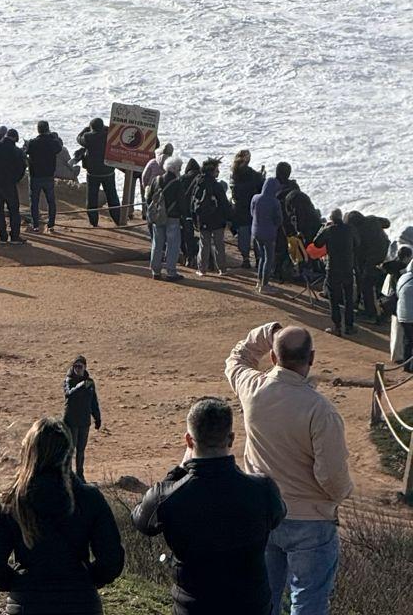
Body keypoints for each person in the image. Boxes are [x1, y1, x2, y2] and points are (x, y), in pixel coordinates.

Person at [225, 322, 353, 615]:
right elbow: (331, 476)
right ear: (312, 358)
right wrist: (340, 495)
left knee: (264, 598)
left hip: (264, 512)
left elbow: (236, 358)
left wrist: (267, 332)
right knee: (309, 603)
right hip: (311, 520)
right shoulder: (321, 411)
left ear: (272, 357)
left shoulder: (252, 389)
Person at [131, 396, 286, 615]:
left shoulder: (168, 496)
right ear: (231, 439)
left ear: (188, 440)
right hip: (251, 605)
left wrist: (177, 472)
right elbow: (278, 516)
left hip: (194, 607)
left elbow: (141, 521)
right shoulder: (263, 489)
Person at [0, 416, 124, 615]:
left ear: (29, 453)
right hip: (81, 603)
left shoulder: (10, 502)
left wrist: (19, 584)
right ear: (68, 453)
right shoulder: (89, 498)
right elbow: (111, 560)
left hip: (27, 603)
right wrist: (85, 580)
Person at [311, 210, 356, 336]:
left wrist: (323, 228)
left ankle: (337, 326)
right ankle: (349, 326)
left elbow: (316, 243)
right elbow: (357, 243)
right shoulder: (349, 229)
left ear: (331, 219)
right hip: (347, 267)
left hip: (333, 268)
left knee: (333, 297)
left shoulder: (329, 230)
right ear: (341, 218)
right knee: (348, 297)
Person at [191, 158, 232, 277]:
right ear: (212, 171)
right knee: (219, 245)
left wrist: (194, 218)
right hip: (217, 220)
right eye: (217, 170)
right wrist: (228, 218)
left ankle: (202, 269)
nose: (218, 172)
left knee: (204, 244)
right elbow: (224, 203)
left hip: (203, 219)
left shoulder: (198, 183)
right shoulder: (217, 186)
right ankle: (222, 269)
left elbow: (193, 202)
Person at [62, 356, 101, 480]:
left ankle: (80, 475)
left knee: (81, 450)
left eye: (80, 366)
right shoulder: (69, 380)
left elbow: (93, 402)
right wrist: (80, 386)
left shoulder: (90, 382)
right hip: (71, 420)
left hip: (84, 421)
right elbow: (68, 394)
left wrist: (97, 417)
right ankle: (67, 474)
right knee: (70, 449)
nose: (77, 369)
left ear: (85, 367)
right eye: (75, 366)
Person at [146, 156, 185, 282]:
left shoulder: (156, 180)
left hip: (158, 217)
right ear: (176, 169)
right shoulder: (178, 183)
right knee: (173, 245)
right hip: (173, 217)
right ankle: (171, 272)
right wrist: (184, 216)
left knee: (157, 244)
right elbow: (182, 202)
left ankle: (155, 271)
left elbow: (149, 198)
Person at [77, 119, 121, 228]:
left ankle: (94, 222)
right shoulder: (110, 136)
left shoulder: (88, 137)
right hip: (108, 171)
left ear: (92, 128)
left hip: (93, 173)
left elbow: (78, 138)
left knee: (92, 198)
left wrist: (87, 128)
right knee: (112, 196)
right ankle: (117, 219)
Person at [0, 127, 28, 245]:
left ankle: (2, 235)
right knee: (14, 210)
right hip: (9, 184)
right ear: (15, 138)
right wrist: (16, 180)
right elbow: (22, 168)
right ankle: (14, 236)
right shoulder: (16, 151)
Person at [26, 121, 64, 233]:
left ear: (38, 129)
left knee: (34, 201)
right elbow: (60, 146)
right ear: (48, 129)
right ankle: (51, 224)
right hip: (48, 175)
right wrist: (52, 136)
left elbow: (26, 151)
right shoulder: (52, 142)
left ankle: (36, 225)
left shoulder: (33, 142)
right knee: (51, 201)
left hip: (35, 176)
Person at [250, 174, 285, 295]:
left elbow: (251, 212)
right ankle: (265, 285)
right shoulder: (275, 202)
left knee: (262, 257)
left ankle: (259, 282)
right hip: (269, 233)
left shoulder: (255, 198)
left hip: (256, 231)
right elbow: (279, 219)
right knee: (269, 259)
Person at [230, 150, 265, 270]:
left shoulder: (234, 174)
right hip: (253, 209)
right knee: (255, 235)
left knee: (243, 236)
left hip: (240, 210)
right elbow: (260, 188)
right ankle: (258, 259)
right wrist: (262, 176)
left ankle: (245, 259)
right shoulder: (252, 174)